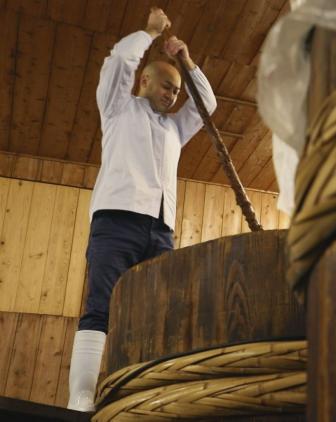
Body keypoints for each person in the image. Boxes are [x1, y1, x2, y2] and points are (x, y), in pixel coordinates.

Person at [66, 7, 217, 412]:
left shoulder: (175, 129)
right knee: (101, 306)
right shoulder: (117, 110)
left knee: (160, 314)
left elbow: (208, 103)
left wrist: (186, 61)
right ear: (145, 80)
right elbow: (118, 65)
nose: (173, 95)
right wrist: (149, 33)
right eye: (167, 86)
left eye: (176, 92)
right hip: (116, 222)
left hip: (161, 232)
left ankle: (144, 398)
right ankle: (80, 399)